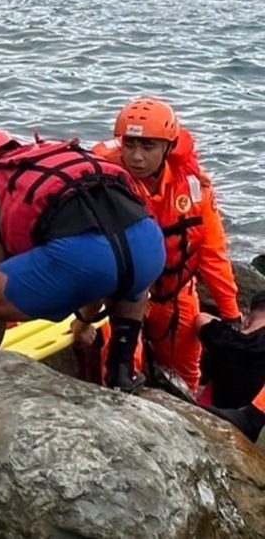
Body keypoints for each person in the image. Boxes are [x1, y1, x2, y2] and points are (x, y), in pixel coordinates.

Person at [0, 128, 166, 392]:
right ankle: (122, 373)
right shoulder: (61, 157)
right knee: (127, 276)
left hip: (85, 258)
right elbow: (107, 252)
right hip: (149, 244)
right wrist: (84, 321)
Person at [90, 98, 240, 392]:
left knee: (186, 375)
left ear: (168, 148)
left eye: (148, 147)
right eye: (129, 145)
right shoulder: (102, 179)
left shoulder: (193, 187)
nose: (136, 157)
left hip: (175, 293)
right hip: (120, 294)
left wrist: (231, 313)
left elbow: (213, 253)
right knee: (119, 367)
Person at [195, 291, 265, 409]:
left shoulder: (229, 341)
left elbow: (201, 318)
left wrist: (236, 325)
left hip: (215, 409)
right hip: (251, 419)